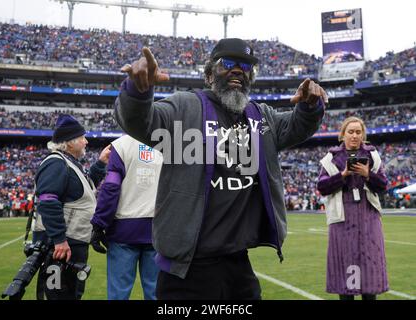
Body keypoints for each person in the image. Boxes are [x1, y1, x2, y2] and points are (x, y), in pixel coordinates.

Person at [116, 38, 328, 299]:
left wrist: (310, 107)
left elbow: (297, 125)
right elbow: (139, 121)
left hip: (238, 264)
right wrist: (137, 93)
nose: (238, 70)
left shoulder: (261, 117)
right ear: (208, 74)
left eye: (246, 66)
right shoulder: (184, 108)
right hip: (187, 270)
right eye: (228, 63)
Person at [33, 114, 110, 300]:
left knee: (71, 293)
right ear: (69, 143)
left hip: (71, 242)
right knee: (60, 295)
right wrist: (59, 239)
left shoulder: (67, 162)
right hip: (61, 245)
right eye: (82, 138)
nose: (86, 141)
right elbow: (48, 201)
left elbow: (82, 189)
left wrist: (100, 163)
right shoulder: (56, 163)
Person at [316, 116, 389, 300]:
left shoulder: (372, 155)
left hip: (368, 219)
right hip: (343, 220)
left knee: (369, 276)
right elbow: (322, 187)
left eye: (358, 132)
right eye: (350, 132)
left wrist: (368, 174)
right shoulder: (331, 158)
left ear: (363, 134)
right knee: (346, 275)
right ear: (342, 135)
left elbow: (383, 186)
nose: (354, 136)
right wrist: (344, 174)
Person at [90, 135, 162, 300]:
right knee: (156, 293)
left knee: (118, 294)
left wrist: (99, 224)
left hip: (124, 230)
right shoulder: (168, 144)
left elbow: (111, 187)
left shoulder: (121, 145)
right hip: (157, 229)